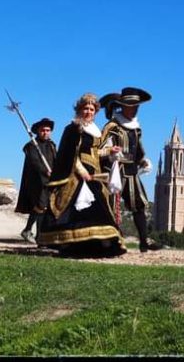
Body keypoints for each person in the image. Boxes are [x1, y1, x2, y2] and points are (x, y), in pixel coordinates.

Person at [36, 93, 126, 257]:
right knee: (80, 210)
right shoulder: (73, 128)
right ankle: (74, 244)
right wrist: (81, 170)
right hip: (76, 176)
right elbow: (69, 153)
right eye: (86, 108)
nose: (89, 112)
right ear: (79, 109)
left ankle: (100, 243)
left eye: (92, 109)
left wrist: (110, 151)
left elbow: (95, 151)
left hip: (96, 173)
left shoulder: (95, 131)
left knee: (100, 206)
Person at [100, 87, 161, 253]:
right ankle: (112, 242)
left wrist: (143, 161)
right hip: (114, 172)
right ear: (122, 106)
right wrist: (110, 153)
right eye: (131, 105)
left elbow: (137, 150)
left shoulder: (136, 128)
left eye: (137, 106)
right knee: (112, 206)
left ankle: (143, 241)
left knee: (139, 205)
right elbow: (98, 149)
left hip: (132, 172)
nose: (134, 109)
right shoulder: (111, 126)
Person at [15, 118, 57, 243]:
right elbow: (34, 162)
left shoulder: (52, 145)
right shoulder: (32, 145)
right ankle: (28, 231)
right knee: (40, 206)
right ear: (38, 131)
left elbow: (56, 160)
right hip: (36, 182)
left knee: (46, 208)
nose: (45, 132)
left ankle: (40, 236)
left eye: (48, 130)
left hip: (50, 181)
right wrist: (45, 171)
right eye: (43, 130)